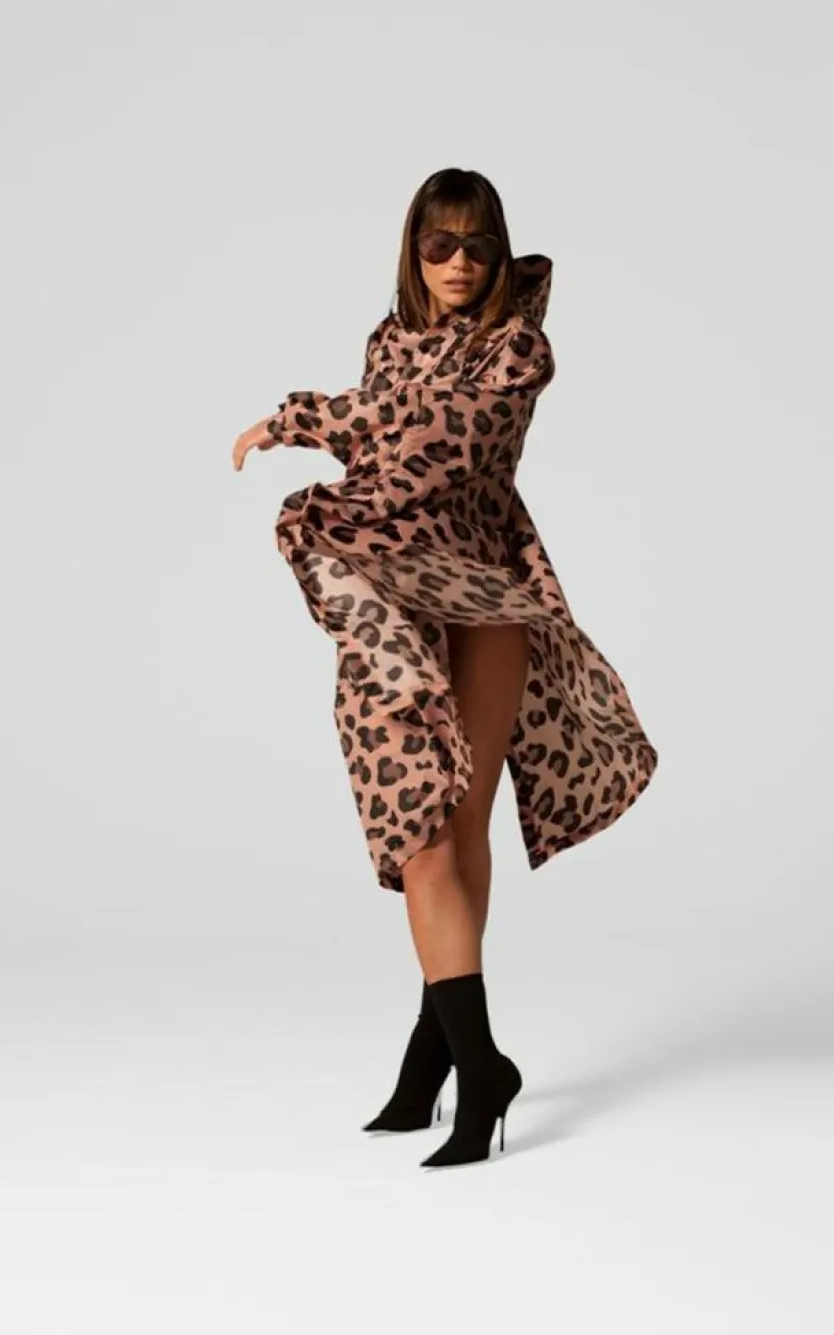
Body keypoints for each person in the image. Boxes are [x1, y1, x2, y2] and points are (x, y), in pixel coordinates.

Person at [232, 167, 659, 1168]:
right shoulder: (388, 343)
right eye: (439, 244)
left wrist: (302, 418)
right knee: (423, 832)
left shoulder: (520, 351)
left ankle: (450, 1064)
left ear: (499, 253)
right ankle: (467, 1060)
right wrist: (323, 421)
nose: (459, 263)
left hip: (488, 590)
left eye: (477, 245)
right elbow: (382, 444)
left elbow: (435, 447)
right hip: (401, 592)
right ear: (413, 251)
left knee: (462, 826)